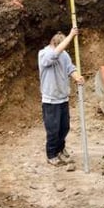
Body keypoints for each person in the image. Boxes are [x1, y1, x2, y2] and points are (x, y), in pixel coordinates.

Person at [38, 27, 85, 167]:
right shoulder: (44, 54)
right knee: (53, 129)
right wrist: (71, 35)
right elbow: (53, 56)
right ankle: (51, 155)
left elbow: (70, 68)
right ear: (54, 43)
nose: (63, 49)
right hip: (51, 101)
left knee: (64, 128)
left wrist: (77, 77)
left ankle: (60, 149)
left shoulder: (64, 55)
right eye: (62, 45)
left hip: (63, 98)